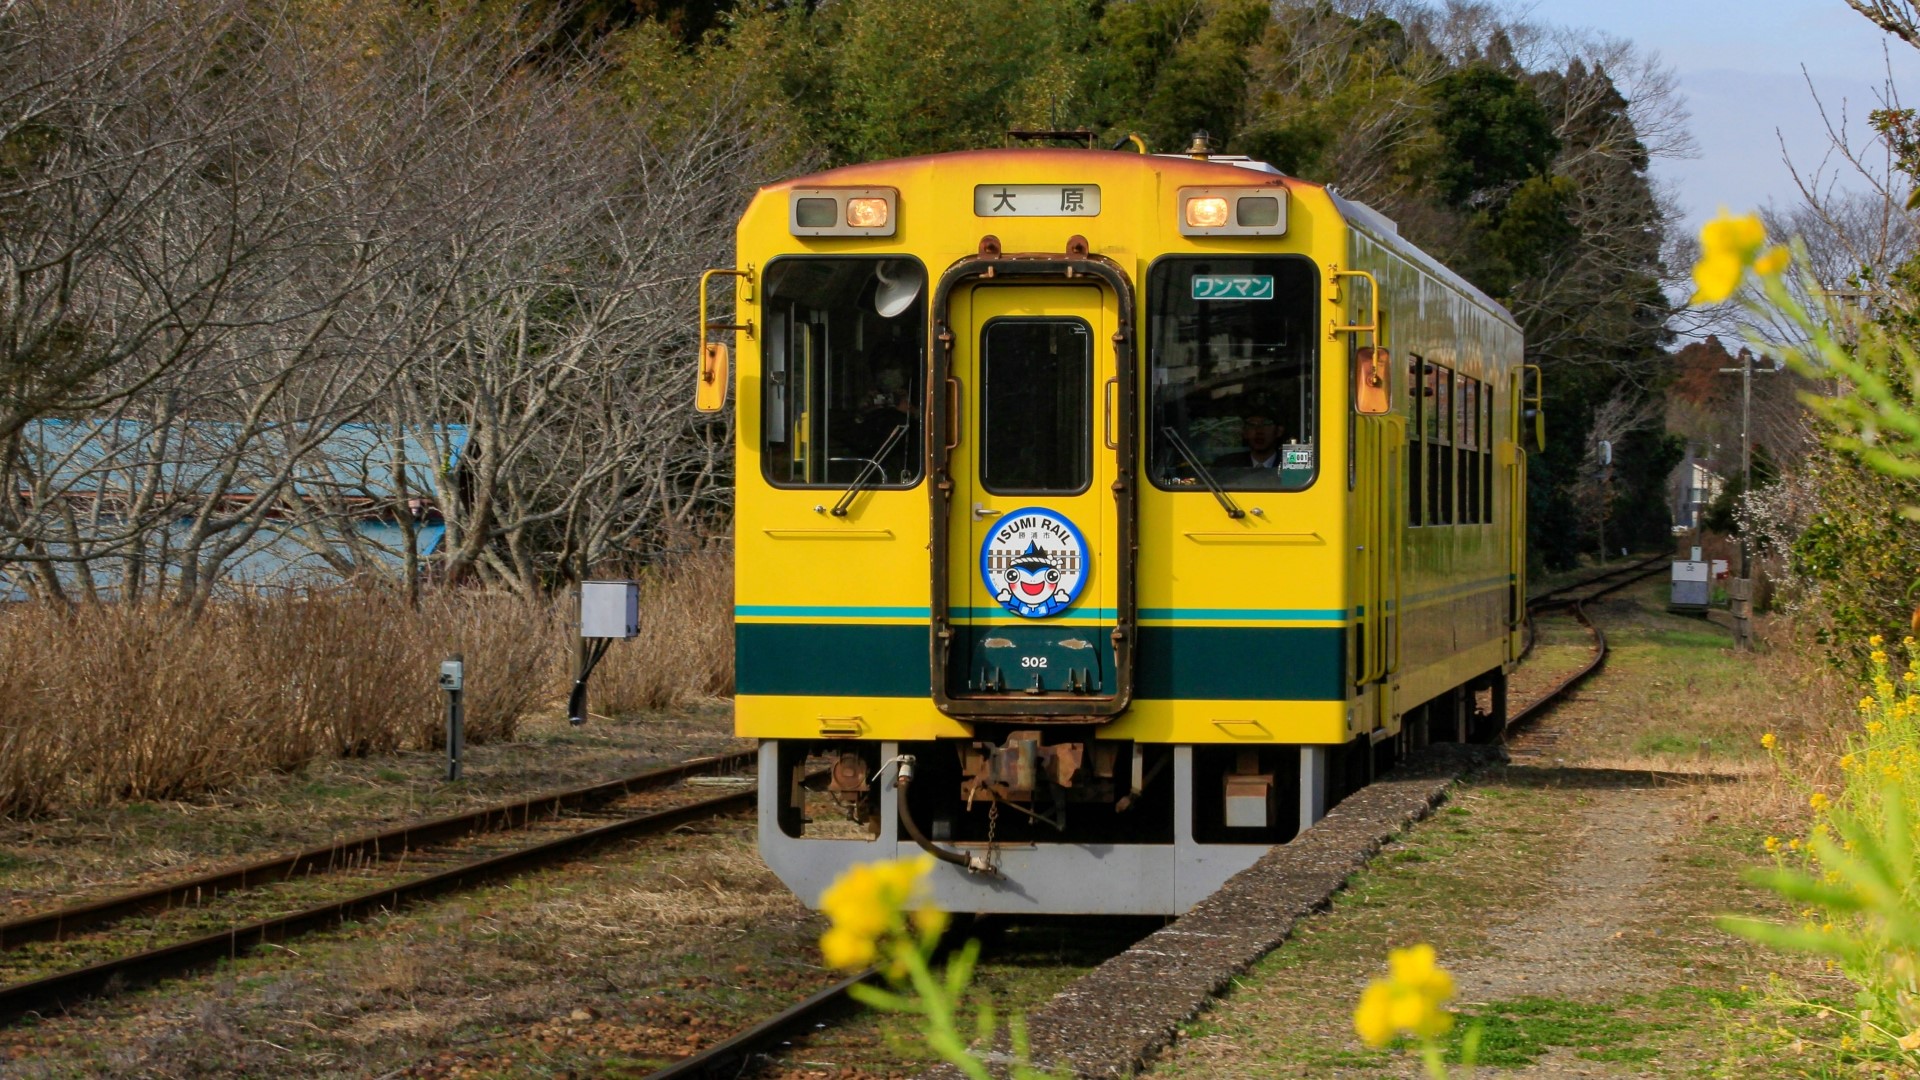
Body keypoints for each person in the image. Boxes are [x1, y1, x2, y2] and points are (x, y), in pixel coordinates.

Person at [1213, 407, 1285, 469]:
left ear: (1279, 431)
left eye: (1266, 424)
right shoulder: (1227, 465)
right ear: (1244, 432)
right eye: (1252, 424)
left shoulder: (1290, 463)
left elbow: (1292, 483)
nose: (1259, 431)